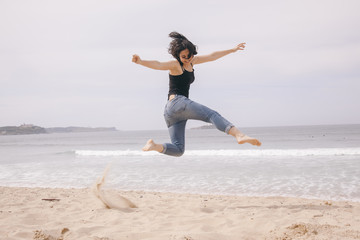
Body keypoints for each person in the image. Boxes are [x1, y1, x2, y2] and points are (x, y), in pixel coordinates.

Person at [132, 32, 261, 157]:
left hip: (171, 112)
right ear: (177, 56)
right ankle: (239, 135)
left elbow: (212, 56)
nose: (187, 59)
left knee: (178, 149)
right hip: (178, 102)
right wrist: (141, 61)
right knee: (212, 114)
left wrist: (232, 50)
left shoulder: (192, 61)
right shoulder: (176, 65)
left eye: (190, 55)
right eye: (184, 56)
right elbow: (158, 64)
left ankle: (154, 146)